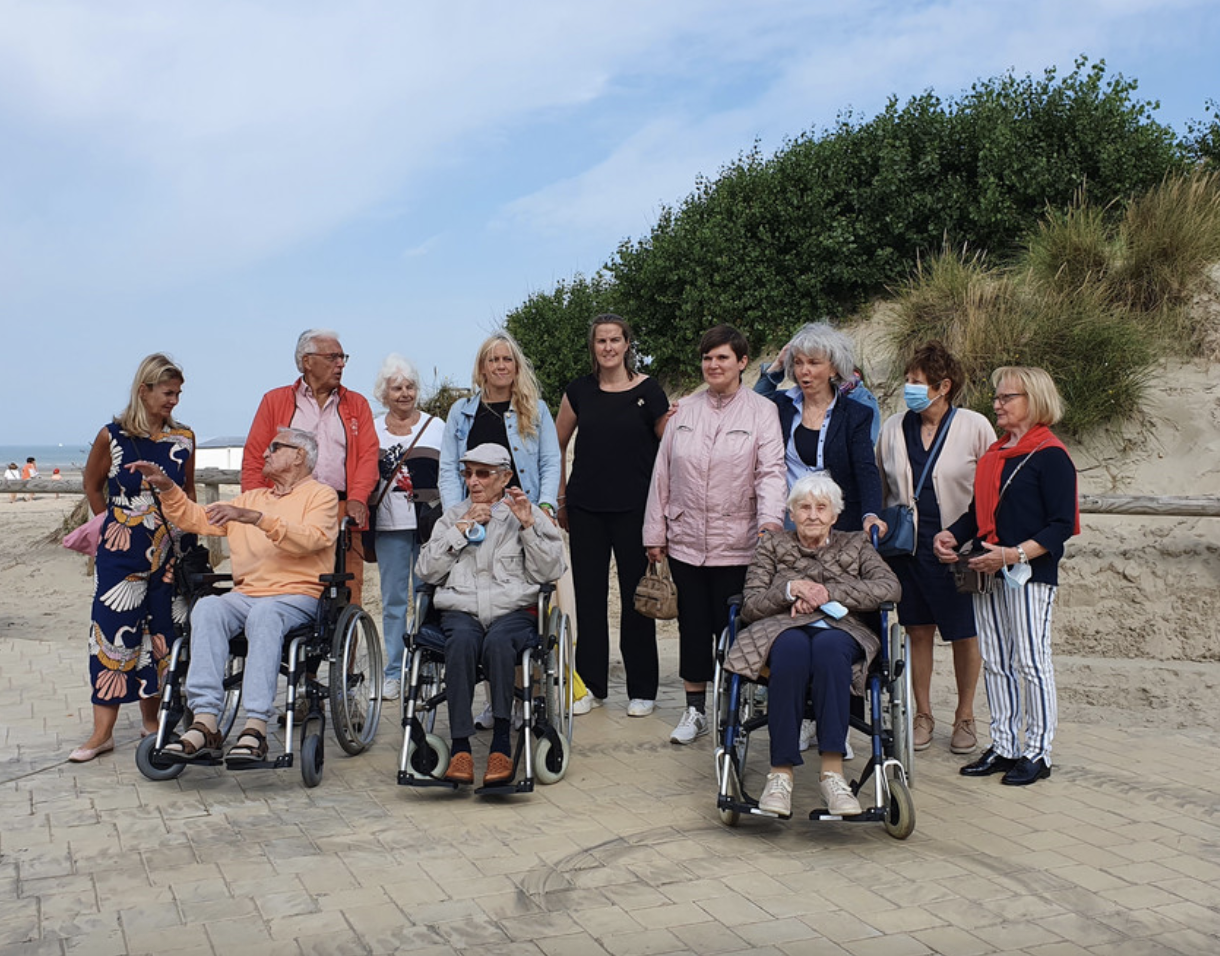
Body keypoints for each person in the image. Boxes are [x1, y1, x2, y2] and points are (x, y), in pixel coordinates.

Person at [130, 427, 339, 766]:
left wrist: (257, 520)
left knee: (265, 614)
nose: (265, 453)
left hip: (297, 594)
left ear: (299, 456)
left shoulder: (321, 496)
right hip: (246, 594)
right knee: (208, 608)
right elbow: (195, 518)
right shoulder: (250, 499)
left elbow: (312, 539)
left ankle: (255, 726)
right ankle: (205, 722)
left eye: (274, 448)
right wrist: (168, 488)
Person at [723, 472, 902, 816]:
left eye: (822, 507)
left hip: (841, 629)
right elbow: (751, 603)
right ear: (791, 513)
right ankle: (780, 775)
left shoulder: (856, 544)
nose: (812, 515)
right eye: (804, 507)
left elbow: (889, 588)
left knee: (829, 651)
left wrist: (826, 593)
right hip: (782, 627)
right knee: (790, 651)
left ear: (835, 515)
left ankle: (832, 775)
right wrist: (791, 590)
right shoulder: (772, 545)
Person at [934, 366, 1079, 787]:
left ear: (1033, 400)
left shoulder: (1051, 455)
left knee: (1032, 661)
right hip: (989, 569)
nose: (996, 404)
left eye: (1006, 397)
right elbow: (978, 514)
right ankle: (1004, 745)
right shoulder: (995, 454)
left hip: (1028, 572)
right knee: (996, 660)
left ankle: (1037, 752)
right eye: (997, 397)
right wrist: (952, 534)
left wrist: (1012, 555)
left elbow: (1061, 525)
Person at [643, 324, 786, 745]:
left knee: (737, 630)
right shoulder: (684, 410)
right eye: (707, 358)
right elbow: (662, 473)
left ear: (743, 362)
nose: (713, 365)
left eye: (722, 357)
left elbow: (771, 472)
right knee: (692, 626)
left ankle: (737, 709)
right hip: (686, 540)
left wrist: (770, 523)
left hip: (739, 543)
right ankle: (695, 711)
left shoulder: (762, 411)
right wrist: (655, 532)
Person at [70, 354, 196, 762]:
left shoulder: (184, 439)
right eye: (167, 393)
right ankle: (101, 734)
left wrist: (190, 539)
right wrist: (109, 526)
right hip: (120, 555)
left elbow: (188, 493)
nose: (174, 401)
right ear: (144, 390)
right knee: (109, 635)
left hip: (171, 554)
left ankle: (152, 721)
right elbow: (92, 485)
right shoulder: (112, 436)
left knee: (162, 636)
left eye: (178, 394)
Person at [416, 444, 566, 786]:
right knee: (460, 642)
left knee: (499, 643)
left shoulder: (527, 513)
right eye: (468, 473)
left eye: (482, 474)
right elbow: (425, 571)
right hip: (462, 609)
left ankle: (501, 743)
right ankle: (460, 747)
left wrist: (528, 527)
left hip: (511, 609)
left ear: (505, 477)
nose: (473, 481)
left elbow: (551, 571)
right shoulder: (452, 516)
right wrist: (459, 531)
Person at [876, 342, 996, 754]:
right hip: (907, 549)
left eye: (916, 382)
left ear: (943, 386)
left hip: (958, 548)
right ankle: (923, 714)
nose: (908, 388)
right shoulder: (893, 427)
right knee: (917, 630)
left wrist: (972, 538)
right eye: (907, 380)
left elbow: (991, 489)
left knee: (965, 633)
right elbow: (882, 484)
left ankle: (965, 716)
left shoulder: (974, 426)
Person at [438, 331, 561, 728]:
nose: (501, 366)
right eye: (493, 360)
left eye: (507, 359)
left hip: (522, 518)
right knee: (484, 603)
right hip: (476, 517)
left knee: (522, 608)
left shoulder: (535, 409)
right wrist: (456, 515)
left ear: (516, 366)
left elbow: (549, 461)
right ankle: (497, 703)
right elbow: (449, 466)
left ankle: (532, 697)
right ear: (482, 367)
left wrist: (544, 508)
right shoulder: (461, 412)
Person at [556, 315, 672, 718]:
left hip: (636, 510)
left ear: (626, 344)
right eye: (601, 340)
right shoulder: (578, 391)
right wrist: (561, 498)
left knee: (636, 598)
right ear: (593, 346)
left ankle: (643, 689)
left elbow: (670, 445)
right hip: (585, 508)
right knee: (589, 600)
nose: (608, 347)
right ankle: (591, 686)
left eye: (615, 340)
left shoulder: (649, 390)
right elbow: (556, 444)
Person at [241, 329, 378, 606]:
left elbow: (368, 456)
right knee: (287, 588)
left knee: (347, 592)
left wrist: (358, 498)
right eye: (332, 357)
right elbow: (255, 458)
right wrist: (255, 507)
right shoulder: (274, 401)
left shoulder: (357, 404)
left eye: (343, 357)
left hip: (341, 510)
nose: (340, 364)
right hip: (288, 510)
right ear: (307, 361)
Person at [753, 323, 884, 534]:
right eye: (798, 362)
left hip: (839, 523)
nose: (804, 370)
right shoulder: (783, 405)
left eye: (814, 363)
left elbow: (865, 468)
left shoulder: (856, 414)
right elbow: (753, 406)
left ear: (833, 368)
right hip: (790, 522)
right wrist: (777, 365)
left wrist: (871, 514)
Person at [371, 353, 444, 700]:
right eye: (397, 388)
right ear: (384, 393)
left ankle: (425, 664)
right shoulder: (373, 429)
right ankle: (394, 671)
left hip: (430, 525)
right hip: (389, 526)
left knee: (427, 595)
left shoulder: (436, 426)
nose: (404, 393)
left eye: (410, 386)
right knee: (394, 600)